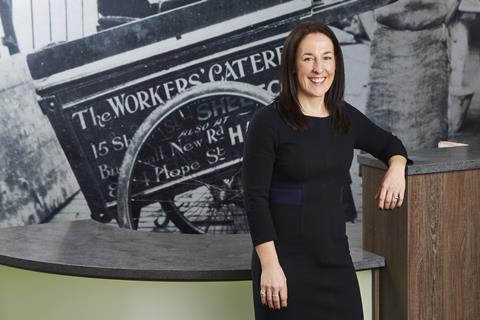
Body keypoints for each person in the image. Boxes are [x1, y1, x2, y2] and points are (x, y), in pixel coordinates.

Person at [241, 21, 409, 319]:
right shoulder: (267, 123)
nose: (319, 68)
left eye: (327, 57)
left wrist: (397, 168)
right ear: (293, 66)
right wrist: (270, 266)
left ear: (336, 63)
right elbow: (255, 200)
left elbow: (390, 144)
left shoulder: (345, 118)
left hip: (335, 264)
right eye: (308, 59)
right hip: (283, 266)